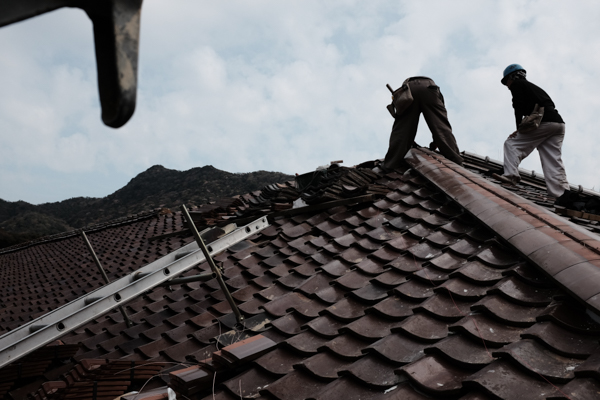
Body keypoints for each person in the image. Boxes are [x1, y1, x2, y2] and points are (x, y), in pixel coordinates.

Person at [494, 64, 570, 204]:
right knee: (552, 158)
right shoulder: (536, 88)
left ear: (512, 77)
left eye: (506, 82)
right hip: (558, 124)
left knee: (511, 143)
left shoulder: (517, 85)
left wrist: (518, 128)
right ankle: (561, 193)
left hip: (544, 123)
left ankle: (510, 175)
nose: (507, 85)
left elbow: (518, 106)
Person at [383, 76, 463, 170]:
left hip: (408, 89)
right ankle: (457, 163)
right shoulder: (437, 97)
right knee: (442, 128)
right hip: (429, 87)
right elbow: (440, 128)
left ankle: (389, 165)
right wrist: (436, 143)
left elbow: (404, 130)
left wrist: (407, 140)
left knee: (401, 130)